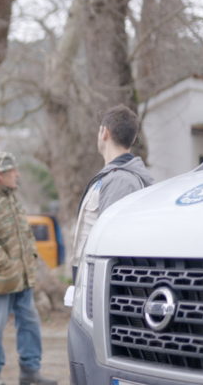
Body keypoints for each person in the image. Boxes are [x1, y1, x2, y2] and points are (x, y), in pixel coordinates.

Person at [0, 152, 57, 385]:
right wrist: (7, 265)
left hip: (23, 280)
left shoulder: (12, 197)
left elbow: (24, 234)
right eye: (12, 170)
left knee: (30, 323)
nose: (17, 174)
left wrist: (30, 259)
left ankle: (30, 372)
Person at [71, 104, 154, 281]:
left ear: (105, 133)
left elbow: (111, 244)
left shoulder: (122, 180)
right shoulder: (112, 176)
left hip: (98, 282)